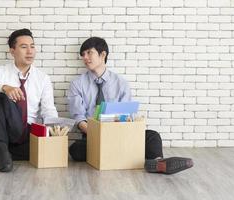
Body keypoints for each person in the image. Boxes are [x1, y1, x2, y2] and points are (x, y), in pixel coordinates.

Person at [68, 37, 193, 174]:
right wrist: (97, 131)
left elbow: (128, 115)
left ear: (102, 54)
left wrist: (119, 131)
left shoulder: (121, 83)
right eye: (83, 54)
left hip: (120, 133)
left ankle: (158, 163)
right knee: (76, 149)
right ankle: (124, 153)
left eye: (89, 53)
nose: (85, 57)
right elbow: (79, 118)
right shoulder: (77, 84)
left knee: (153, 136)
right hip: (94, 135)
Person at [0, 29, 58, 172]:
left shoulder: (43, 78)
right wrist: (5, 88)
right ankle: (2, 150)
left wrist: (55, 130)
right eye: (24, 47)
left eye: (32, 46)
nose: (30, 51)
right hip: (3, 125)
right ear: (12, 51)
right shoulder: (0, 71)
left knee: (40, 151)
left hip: (27, 128)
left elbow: (48, 109)